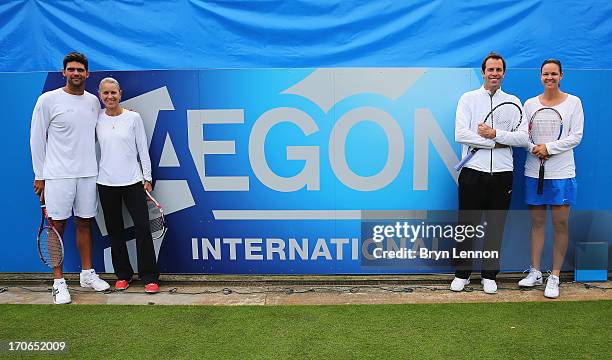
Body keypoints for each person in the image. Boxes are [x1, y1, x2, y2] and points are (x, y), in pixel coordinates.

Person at [30, 52, 110, 304]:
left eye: (80, 70)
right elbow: (36, 139)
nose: (76, 73)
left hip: (88, 174)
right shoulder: (48, 100)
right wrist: (40, 175)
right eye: (71, 69)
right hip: (57, 176)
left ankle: (87, 274)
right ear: (63, 72)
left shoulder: (93, 102)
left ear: (87, 74)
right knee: (57, 228)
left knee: (85, 223)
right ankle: (58, 282)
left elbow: (103, 126)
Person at [451, 52, 529, 294]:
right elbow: (460, 134)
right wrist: (495, 143)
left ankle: (489, 275)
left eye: (499, 70)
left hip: (503, 173)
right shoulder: (468, 99)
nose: (494, 73)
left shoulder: (514, 101)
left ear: (503, 73)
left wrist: (494, 134)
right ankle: (462, 274)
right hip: (473, 171)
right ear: (483, 72)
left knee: (496, 225)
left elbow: (523, 138)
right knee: (467, 225)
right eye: (490, 70)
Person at [518, 59, 583, 298]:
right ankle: (535, 271)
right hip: (533, 172)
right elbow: (523, 135)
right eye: (546, 74)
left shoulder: (574, 102)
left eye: (554, 74)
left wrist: (549, 148)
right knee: (536, 223)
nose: (550, 78)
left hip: (562, 174)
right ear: (540, 76)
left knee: (560, 224)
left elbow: (576, 137)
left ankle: (554, 276)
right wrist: (534, 148)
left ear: (561, 76)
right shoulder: (530, 104)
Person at [96, 77, 160, 293]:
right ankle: (123, 275)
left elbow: (143, 150)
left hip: (134, 182)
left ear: (120, 94)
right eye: (105, 93)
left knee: (142, 228)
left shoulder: (133, 118)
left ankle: (149, 276)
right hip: (105, 183)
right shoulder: (95, 119)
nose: (110, 96)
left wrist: (147, 178)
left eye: (113, 92)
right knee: (115, 231)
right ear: (100, 95)